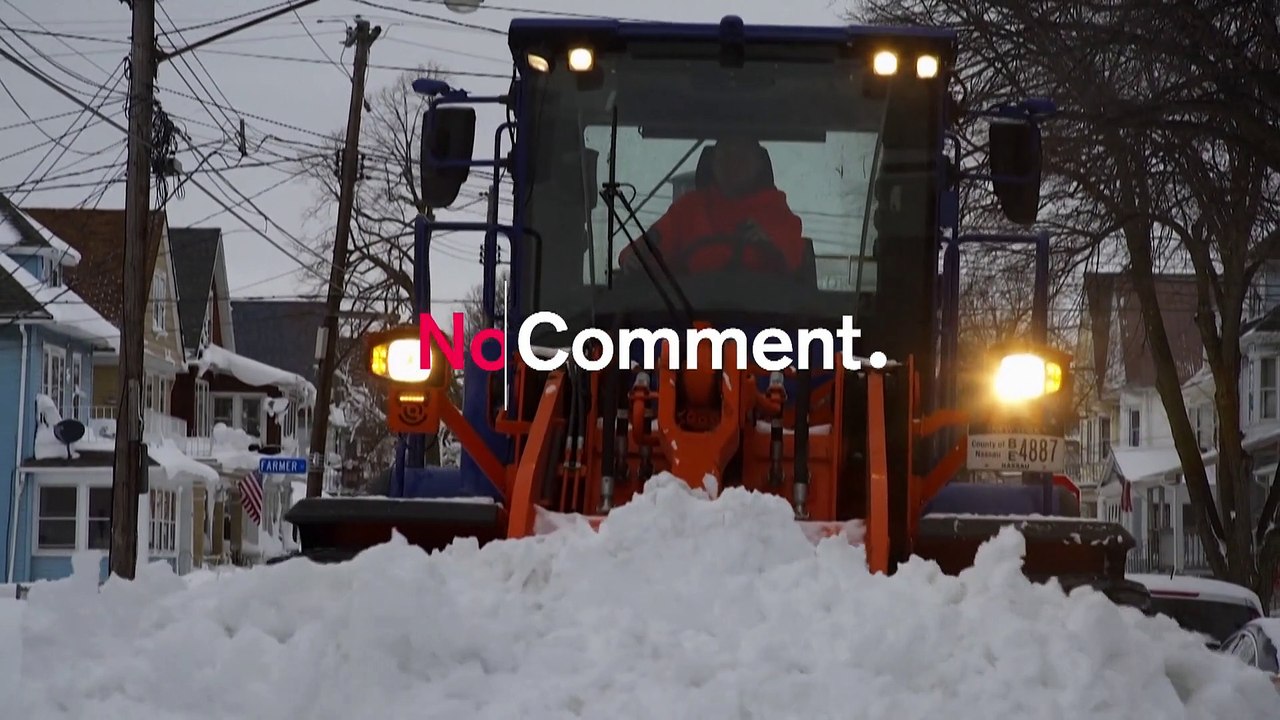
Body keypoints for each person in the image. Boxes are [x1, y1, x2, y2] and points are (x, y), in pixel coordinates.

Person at [618, 135, 805, 276]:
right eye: (724, 157)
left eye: (741, 158)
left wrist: (768, 246)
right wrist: (632, 260)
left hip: (766, 321)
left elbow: (790, 260)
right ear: (712, 164)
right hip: (687, 318)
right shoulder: (688, 209)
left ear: (758, 165)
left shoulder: (776, 213)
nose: (731, 165)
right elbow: (647, 246)